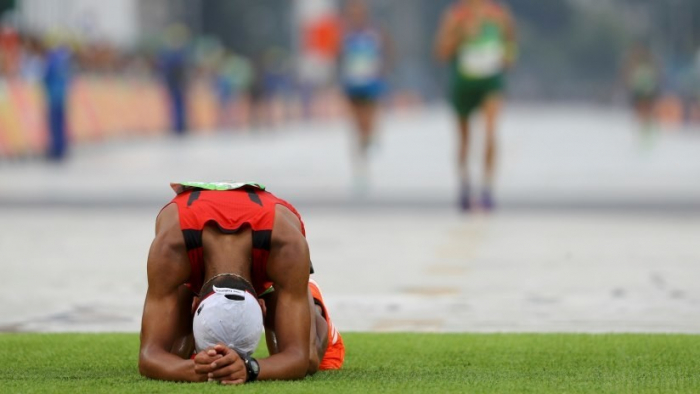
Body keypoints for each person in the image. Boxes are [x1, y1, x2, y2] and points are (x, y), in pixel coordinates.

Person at [139, 181, 344, 384]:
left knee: (310, 359)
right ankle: (291, 299)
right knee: (173, 351)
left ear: (263, 308)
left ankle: (308, 295)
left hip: (268, 238)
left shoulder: (287, 247)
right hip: (204, 236)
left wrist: (249, 368)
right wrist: (194, 369)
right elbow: (149, 356)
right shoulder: (171, 247)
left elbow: (299, 358)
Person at [435, 0, 516, 211]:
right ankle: (465, 184)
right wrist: (461, 34)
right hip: (463, 84)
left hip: (490, 82)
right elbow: (441, 52)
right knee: (464, 140)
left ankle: (487, 187)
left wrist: (507, 55)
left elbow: (510, 44)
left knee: (490, 132)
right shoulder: (455, 16)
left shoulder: (498, 15)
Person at [338, 0, 392, 194]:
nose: (356, 15)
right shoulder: (344, 33)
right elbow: (339, 57)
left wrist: (383, 71)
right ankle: (361, 170)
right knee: (357, 127)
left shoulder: (376, 31)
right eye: (353, 12)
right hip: (353, 84)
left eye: (359, 12)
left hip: (371, 84)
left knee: (367, 124)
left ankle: (371, 136)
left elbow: (388, 52)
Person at [622, 44, 660, 139]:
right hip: (640, 92)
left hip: (646, 92)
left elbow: (654, 79)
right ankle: (642, 130)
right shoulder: (636, 66)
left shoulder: (647, 66)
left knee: (646, 112)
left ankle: (646, 129)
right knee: (641, 112)